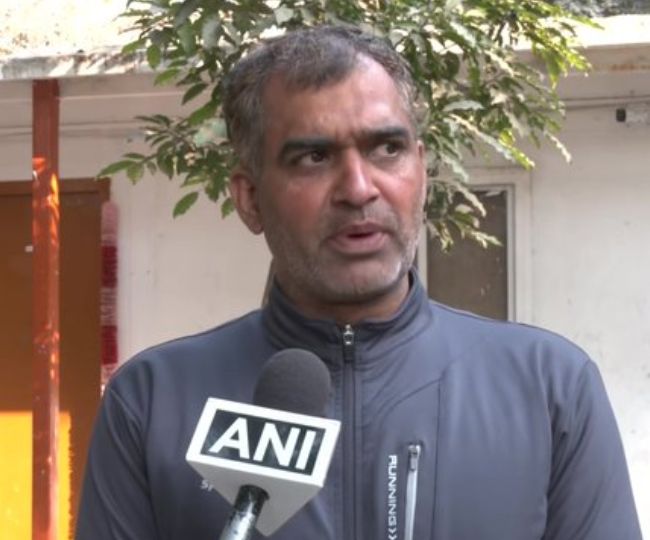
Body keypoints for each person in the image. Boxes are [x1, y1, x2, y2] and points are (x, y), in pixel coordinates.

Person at [76, 25, 642, 539]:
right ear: (250, 199)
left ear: (422, 172)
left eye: (386, 149)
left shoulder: (550, 390)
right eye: (313, 157)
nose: (358, 188)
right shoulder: (152, 403)